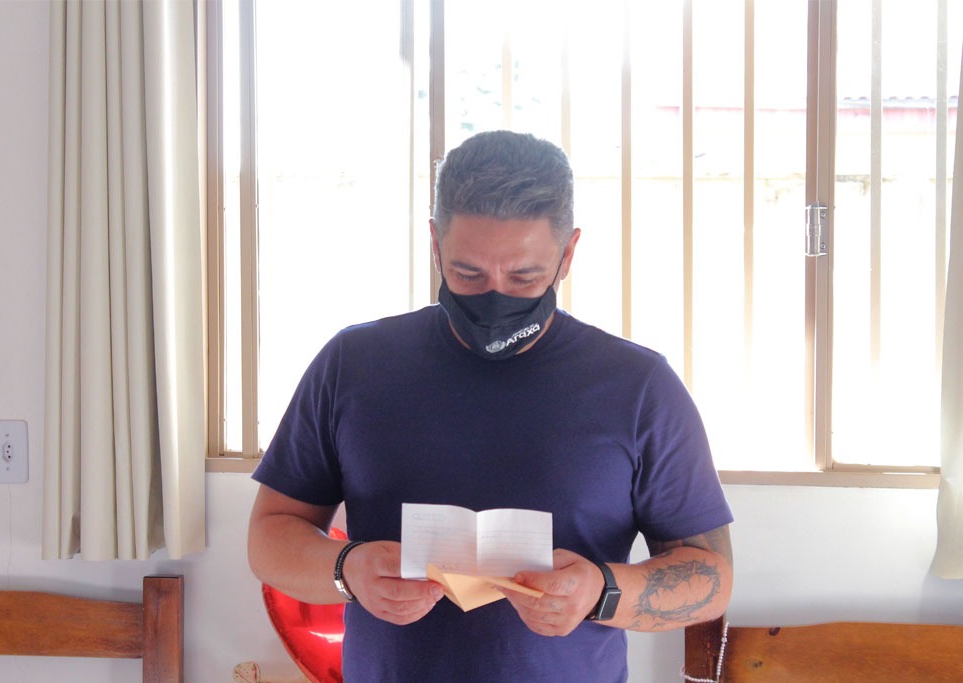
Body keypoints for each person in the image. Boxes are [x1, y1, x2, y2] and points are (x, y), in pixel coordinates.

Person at [248, 130, 734, 682]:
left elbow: (712, 578)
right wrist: (347, 569)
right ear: (435, 245)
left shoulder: (639, 385)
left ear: (568, 253)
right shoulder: (354, 364)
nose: (494, 297)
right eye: (468, 274)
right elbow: (270, 536)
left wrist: (602, 591)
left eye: (524, 277)